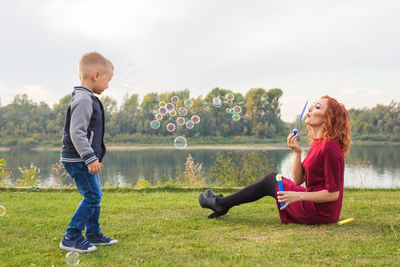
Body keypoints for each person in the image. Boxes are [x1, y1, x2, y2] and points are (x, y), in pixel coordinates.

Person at [199, 95, 351, 224]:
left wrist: (298, 196)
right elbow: (298, 180)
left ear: (328, 118)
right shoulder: (319, 144)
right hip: (312, 204)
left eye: (317, 107)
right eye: (311, 106)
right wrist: (297, 153)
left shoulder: (330, 148)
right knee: (271, 179)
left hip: (321, 213)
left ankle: (221, 204)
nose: (310, 110)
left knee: (270, 180)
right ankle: (221, 203)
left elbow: (333, 194)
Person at [59, 51, 118, 253]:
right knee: (92, 196)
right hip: (79, 159)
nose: (108, 85)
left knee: (96, 195)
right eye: (108, 80)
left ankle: (93, 233)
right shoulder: (84, 99)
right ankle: (72, 236)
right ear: (96, 75)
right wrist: (89, 157)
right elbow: (77, 133)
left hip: (84, 159)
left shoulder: (86, 97)